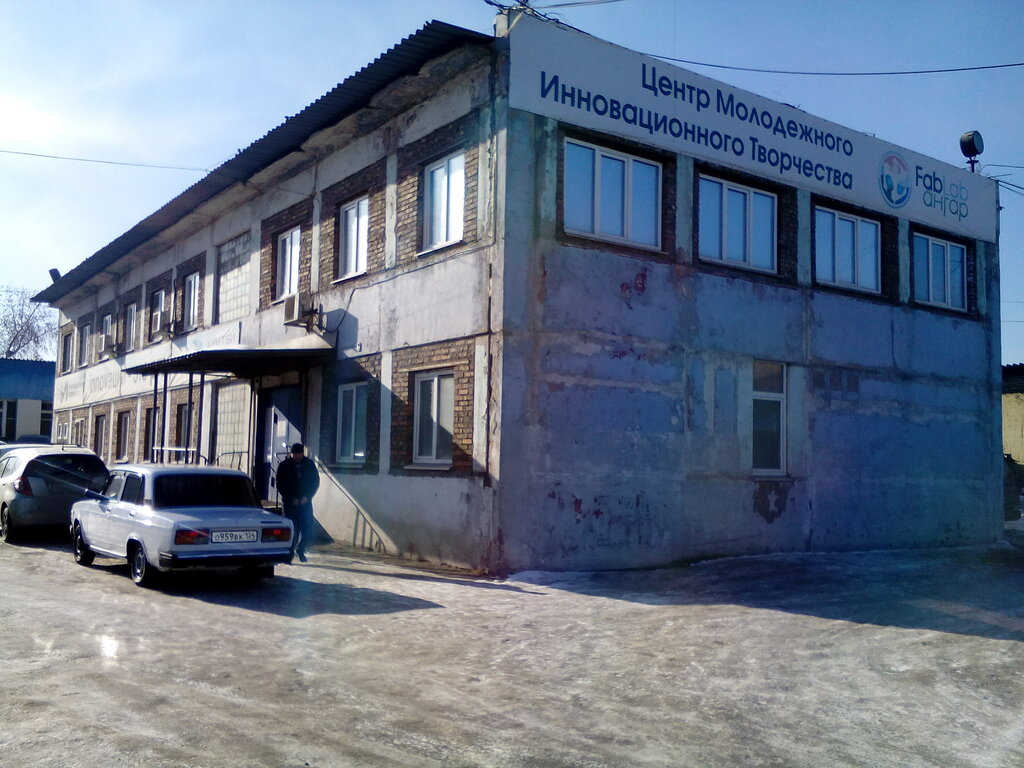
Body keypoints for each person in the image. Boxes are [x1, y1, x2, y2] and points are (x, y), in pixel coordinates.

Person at [276, 442, 320, 562]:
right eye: (295, 454)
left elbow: (315, 482)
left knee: (308, 526)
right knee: (291, 529)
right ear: (291, 454)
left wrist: (307, 497)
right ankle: (289, 553)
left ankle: (301, 548)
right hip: (289, 503)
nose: (297, 456)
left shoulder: (309, 464)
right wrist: (291, 499)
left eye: (299, 454)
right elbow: (280, 484)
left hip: (305, 501)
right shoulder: (284, 465)